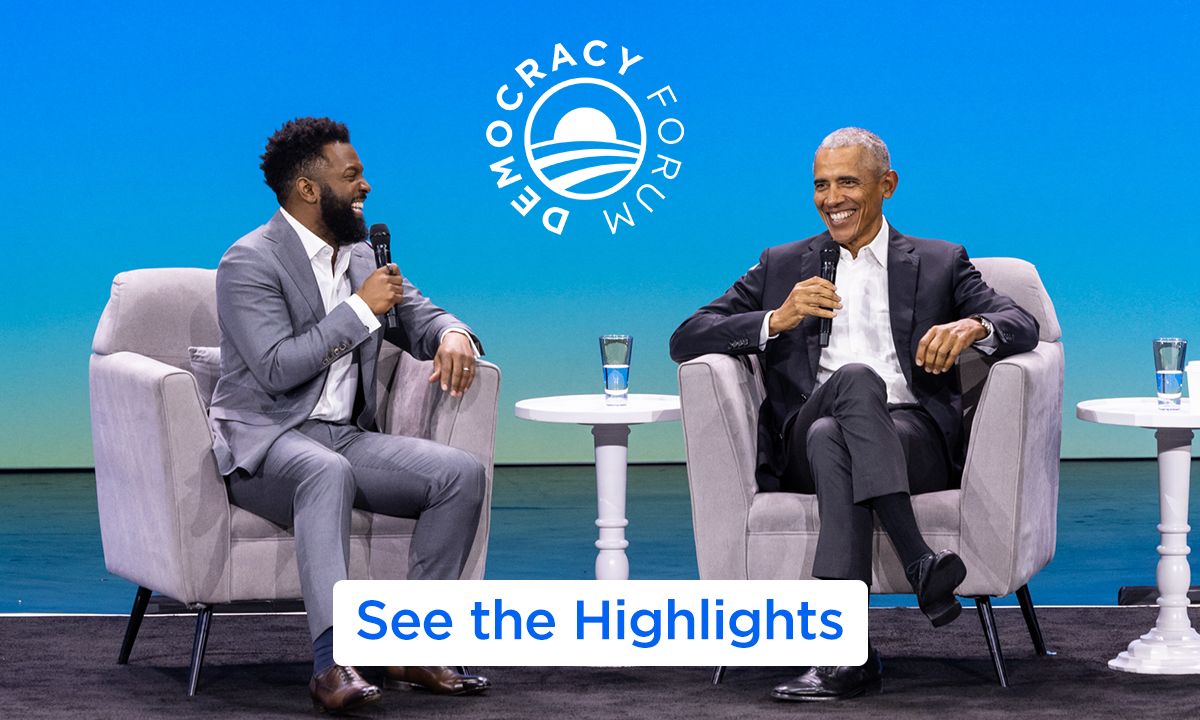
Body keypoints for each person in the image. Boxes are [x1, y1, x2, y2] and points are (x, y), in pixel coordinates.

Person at [669, 127, 1039, 701]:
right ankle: (919, 560)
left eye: (848, 182)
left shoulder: (941, 262)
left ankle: (847, 655)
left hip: (909, 438)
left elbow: (1021, 321)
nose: (832, 197)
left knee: (831, 437)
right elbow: (687, 337)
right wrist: (776, 318)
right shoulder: (782, 264)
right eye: (821, 184)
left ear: (886, 185)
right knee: (849, 387)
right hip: (798, 447)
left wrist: (975, 326)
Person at [209, 117, 491, 713]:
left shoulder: (361, 253)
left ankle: (416, 647)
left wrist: (454, 333)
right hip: (266, 441)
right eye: (352, 174)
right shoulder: (248, 262)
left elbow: (415, 311)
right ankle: (331, 662)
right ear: (309, 189)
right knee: (323, 473)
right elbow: (277, 368)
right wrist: (361, 312)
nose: (365, 186)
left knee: (458, 474)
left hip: (341, 436)